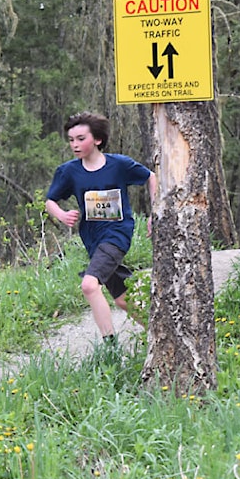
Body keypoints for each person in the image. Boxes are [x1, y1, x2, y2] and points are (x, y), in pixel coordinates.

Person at [45, 111, 157, 341]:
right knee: (122, 298)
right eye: (71, 140)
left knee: (89, 285)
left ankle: (109, 345)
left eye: (81, 139)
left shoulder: (119, 165)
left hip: (117, 234)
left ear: (97, 140)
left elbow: (151, 177)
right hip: (92, 239)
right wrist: (62, 215)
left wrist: (156, 213)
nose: (75, 144)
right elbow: (50, 201)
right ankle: (161, 334)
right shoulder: (69, 172)